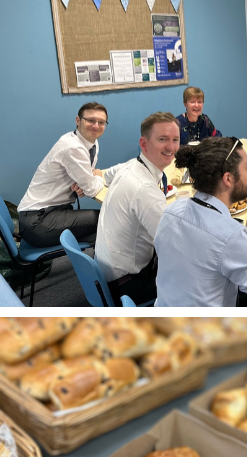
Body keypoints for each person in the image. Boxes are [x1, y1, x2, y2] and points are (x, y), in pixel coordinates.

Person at [154, 137, 247, 307]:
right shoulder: (230, 236)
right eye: (246, 167)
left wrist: (244, 239)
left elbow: (203, 254)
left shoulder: (172, 211)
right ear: (228, 179)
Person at [94, 112, 180, 305]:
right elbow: (175, 245)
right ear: (144, 144)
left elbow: (107, 175)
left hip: (107, 271)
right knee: (203, 273)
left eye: (175, 140)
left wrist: (97, 172)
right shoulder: (145, 189)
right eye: (162, 139)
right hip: (127, 285)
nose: (171, 147)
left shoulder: (131, 165)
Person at [17, 102, 109, 247]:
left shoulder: (91, 142)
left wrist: (84, 183)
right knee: (107, 219)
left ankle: (92, 254)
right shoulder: (73, 147)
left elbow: (85, 178)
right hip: (38, 221)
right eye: (90, 120)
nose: (96, 125)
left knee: (103, 224)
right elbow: (91, 187)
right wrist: (97, 176)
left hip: (49, 212)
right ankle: (96, 262)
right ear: (78, 121)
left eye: (101, 122)